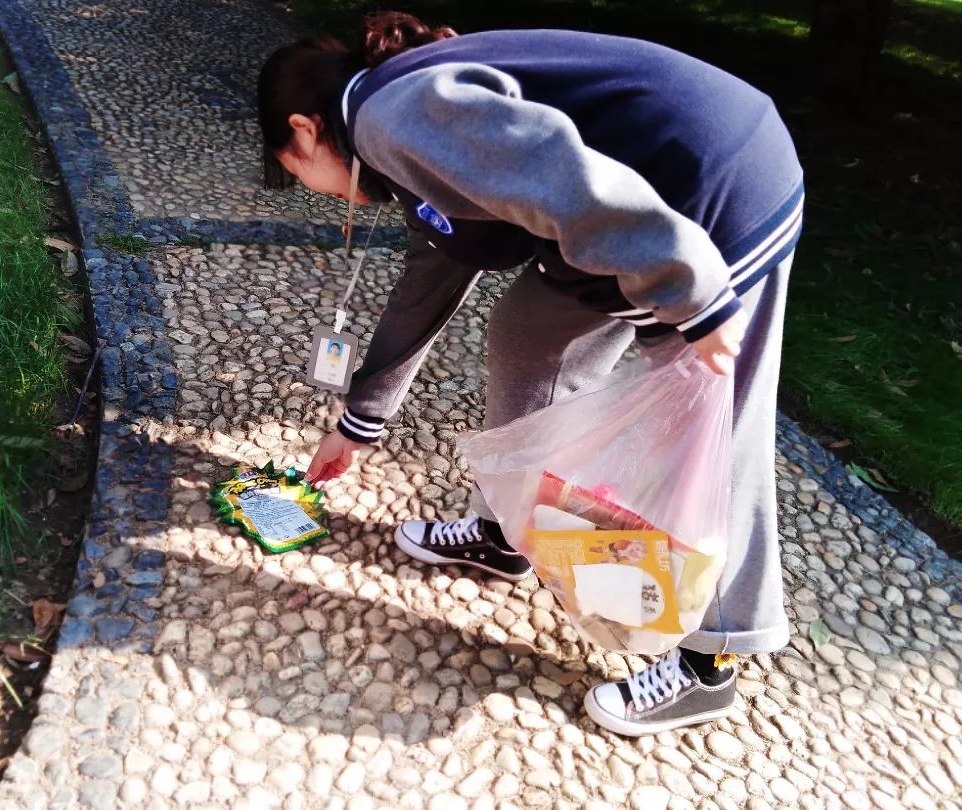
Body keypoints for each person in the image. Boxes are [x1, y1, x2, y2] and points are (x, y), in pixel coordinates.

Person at [257, 11, 803, 736]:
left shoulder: (392, 117)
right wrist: (359, 425)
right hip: (650, 201)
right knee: (526, 335)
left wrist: (692, 296)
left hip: (712, 194)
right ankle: (508, 528)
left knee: (718, 429)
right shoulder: (396, 136)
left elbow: (563, 176)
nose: (320, 194)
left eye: (299, 175)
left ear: (303, 130)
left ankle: (715, 662)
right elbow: (434, 275)